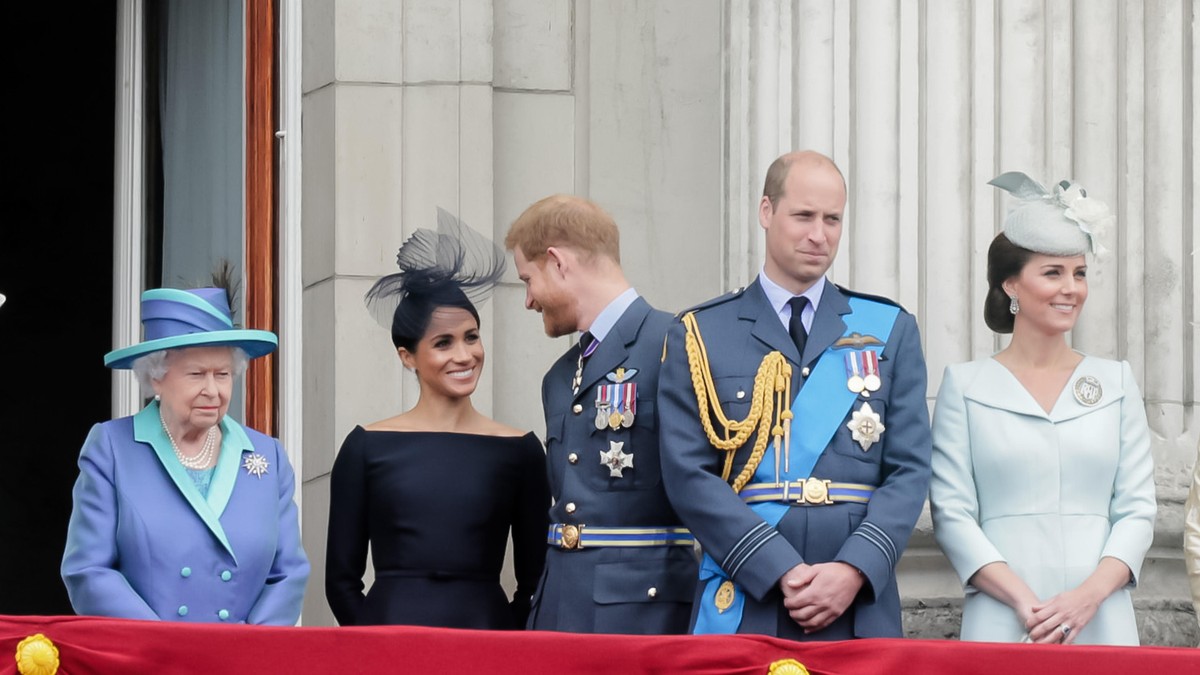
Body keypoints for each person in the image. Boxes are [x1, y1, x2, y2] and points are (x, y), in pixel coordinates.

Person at [657, 150, 932, 640]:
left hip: (856, 602)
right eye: (803, 216)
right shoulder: (701, 333)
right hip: (748, 592)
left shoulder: (890, 330)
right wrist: (776, 566)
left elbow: (909, 470)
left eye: (832, 219)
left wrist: (854, 569)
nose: (819, 234)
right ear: (766, 212)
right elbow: (687, 475)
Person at [930, 172, 1157, 645]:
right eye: (1052, 272)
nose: (1070, 288)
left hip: (1102, 617)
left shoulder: (1116, 383)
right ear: (1011, 284)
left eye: (1079, 273)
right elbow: (952, 513)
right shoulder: (965, 386)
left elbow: (1136, 510)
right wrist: (1024, 603)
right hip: (1004, 616)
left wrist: (1086, 598)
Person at [325, 209, 550, 629]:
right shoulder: (365, 447)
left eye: (471, 337)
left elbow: (536, 579)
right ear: (407, 356)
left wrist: (508, 643)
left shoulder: (521, 450)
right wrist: (374, 644)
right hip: (388, 646)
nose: (464, 355)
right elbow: (340, 582)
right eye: (443, 343)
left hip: (488, 644)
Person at [61, 284, 309, 625]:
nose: (212, 390)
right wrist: (165, 647)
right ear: (156, 378)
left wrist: (252, 649)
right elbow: (88, 570)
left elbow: (289, 574)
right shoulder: (113, 448)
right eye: (196, 374)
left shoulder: (268, 455)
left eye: (222, 374)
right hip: (149, 661)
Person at [505, 194, 697, 634]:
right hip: (558, 608)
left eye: (527, 280)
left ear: (557, 262)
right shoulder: (559, 375)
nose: (528, 301)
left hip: (642, 615)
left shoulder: (677, 344)